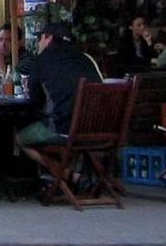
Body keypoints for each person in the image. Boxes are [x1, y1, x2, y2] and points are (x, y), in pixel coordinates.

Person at [16, 23, 102, 165]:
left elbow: (34, 101)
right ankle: (72, 172)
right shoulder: (86, 59)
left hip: (65, 131)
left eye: (40, 38)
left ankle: (65, 174)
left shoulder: (42, 61)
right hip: (97, 129)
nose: (39, 43)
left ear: (48, 38)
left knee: (20, 138)